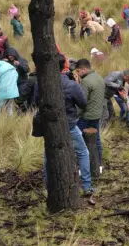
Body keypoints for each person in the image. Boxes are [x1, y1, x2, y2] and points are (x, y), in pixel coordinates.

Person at [37, 55, 94, 197]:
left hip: (49, 125)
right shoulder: (71, 85)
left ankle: (48, 186)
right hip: (69, 125)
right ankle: (87, 187)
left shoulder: (42, 83)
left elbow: (35, 100)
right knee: (82, 153)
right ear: (65, 66)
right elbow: (83, 103)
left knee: (48, 156)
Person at [75, 59, 106, 173]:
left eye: (78, 71)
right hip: (97, 114)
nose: (78, 74)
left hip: (86, 116)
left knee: (80, 142)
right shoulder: (99, 77)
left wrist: (74, 115)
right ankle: (98, 165)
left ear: (84, 69)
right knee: (96, 141)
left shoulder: (86, 81)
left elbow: (82, 102)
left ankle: (82, 167)